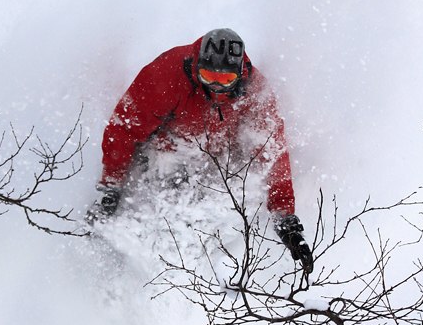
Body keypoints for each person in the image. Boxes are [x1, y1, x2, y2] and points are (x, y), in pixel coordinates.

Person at [90, 27, 313, 275]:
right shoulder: (166, 74)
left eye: (226, 80)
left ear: (239, 73)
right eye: (209, 76)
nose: (216, 87)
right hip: (170, 150)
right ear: (197, 67)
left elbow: (272, 152)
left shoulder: (254, 91)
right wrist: (111, 185)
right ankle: (131, 258)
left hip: (218, 157)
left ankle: (201, 272)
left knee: (213, 210)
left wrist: (285, 217)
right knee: (166, 202)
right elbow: (125, 128)